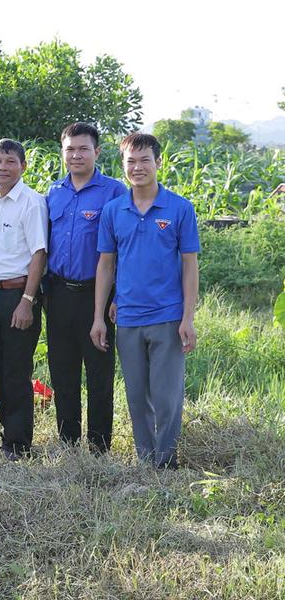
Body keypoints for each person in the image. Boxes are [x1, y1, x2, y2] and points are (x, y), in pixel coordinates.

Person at [91, 132, 199, 469]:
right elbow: (106, 265)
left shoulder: (180, 208)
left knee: (166, 398)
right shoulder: (113, 211)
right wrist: (99, 316)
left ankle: (165, 462)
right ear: (123, 165)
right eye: (131, 161)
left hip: (167, 317)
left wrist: (188, 318)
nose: (137, 167)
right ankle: (145, 459)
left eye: (144, 160)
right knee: (137, 398)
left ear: (158, 162)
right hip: (128, 319)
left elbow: (189, 265)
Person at [44, 122, 125, 454]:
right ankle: (67, 441)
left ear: (97, 152)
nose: (76, 155)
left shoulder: (114, 192)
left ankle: (99, 446)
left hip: (98, 296)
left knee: (99, 374)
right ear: (62, 152)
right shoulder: (53, 193)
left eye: (83, 149)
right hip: (58, 292)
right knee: (62, 371)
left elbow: (124, 249)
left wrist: (116, 297)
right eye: (70, 149)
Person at [0, 138, 48, 459]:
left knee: (15, 371)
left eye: (10, 162)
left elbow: (39, 252)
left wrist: (27, 299)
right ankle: (7, 434)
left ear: (23, 166)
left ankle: (19, 443)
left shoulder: (31, 202)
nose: (3, 167)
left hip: (18, 296)